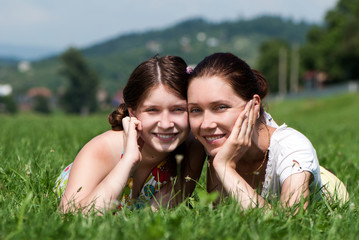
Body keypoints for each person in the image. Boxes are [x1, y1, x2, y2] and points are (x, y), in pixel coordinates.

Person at [186, 52, 348, 210]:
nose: (206, 124)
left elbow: (289, 224)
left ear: (254, 105)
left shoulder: (292, 147)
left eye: (221, 107)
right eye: (195, 110)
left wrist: (225, 167)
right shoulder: (216, 145)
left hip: (331, 198)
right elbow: (220, 217)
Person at [55, 55, 205, 213]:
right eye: (152, 110)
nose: (166, 124)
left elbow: (157, 217)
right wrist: (128, 161)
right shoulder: (103, 149)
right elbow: (70, 218)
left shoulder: (192, 147)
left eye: (178, 109)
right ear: (133, 113)